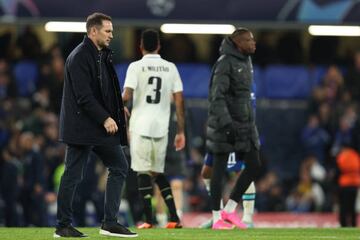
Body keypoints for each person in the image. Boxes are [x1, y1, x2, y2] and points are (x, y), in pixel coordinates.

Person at [55, 12, 137, 238]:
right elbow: (84, 97)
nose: (112, 35)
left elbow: (105, 92)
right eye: (108, 31)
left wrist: (118, 109)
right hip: (82, 126)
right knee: (73, 174)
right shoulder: (80, 56)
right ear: (93, 31)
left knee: (119, 166)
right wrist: (106, 118)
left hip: (97, 127)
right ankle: (62, 226)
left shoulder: (101, 55)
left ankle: (110, 222)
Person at [122, 29, 185, 229]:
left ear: (140, 47)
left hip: (139, 126)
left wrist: (114, 103)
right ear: (159, 46)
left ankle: (149, 220)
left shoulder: (135, 67)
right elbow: (179, 100)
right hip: (161, 127)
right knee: (157, 172)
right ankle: (174, 218)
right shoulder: (170, 68)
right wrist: (181, 131)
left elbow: (127, 96)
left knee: (142, 172)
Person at [206, 27, 262, 230]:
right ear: (239, 43)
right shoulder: (224, 63)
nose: (254, 43)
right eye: (249, 40)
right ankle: (216, 218)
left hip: (246, 125)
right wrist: (227, 124)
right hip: (226, 124)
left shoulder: (246, 61)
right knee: (218, 171)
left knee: (255, 164)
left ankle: (229, 210)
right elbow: (216, 97)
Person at [200, 152, 256, 228]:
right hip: (216, 142)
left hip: (233, 142)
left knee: (242, 170)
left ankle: (247, 219)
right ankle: (218, 216)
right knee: (206, 173)